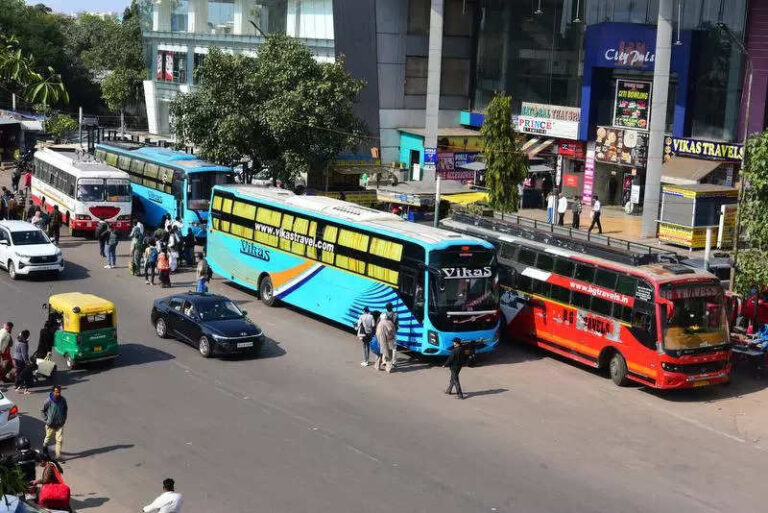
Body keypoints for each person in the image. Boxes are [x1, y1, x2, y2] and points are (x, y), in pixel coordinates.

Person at [41, 385, 68, 460]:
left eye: (59, 392)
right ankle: (44, 450)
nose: (58, 394)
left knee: (59, 440)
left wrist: (63, 419)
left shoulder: (63, 400)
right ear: (53, 392)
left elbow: (65, 409)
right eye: (56, 392)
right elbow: (42, 411)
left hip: (59, 424)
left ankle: (58, 456)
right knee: (48, 438)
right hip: (51, 425)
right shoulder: (48, 401)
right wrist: (47, 420)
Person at [12, 329, 32, 394]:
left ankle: (16, 385)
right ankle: (21, 385)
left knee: (18, 372)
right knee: (23, 373)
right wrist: (27, 362)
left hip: (15, 358)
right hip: (21, 360)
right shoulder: (23, 344)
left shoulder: (17, 340)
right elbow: (24, 354)